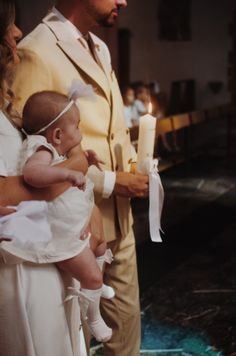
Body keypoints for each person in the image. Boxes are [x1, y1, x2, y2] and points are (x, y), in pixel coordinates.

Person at [13, 1, 149, 355]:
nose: (123, 1)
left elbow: (111, 129)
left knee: (126, 330)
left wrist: (135, 165)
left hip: (121, 214)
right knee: (78, 334)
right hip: (73, 225)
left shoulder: (100, 45)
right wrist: (109, 182)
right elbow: (34, 150)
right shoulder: (36, 51)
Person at [0, 1, 89, 354]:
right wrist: (72, 179)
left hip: (36, 251)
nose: (17, 32)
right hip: (18, 265)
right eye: (8, 23)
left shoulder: (7, 108)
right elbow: (12, 191)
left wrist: (76, 215)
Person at [17, 87, 114, 342]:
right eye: (78, 126)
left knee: (102, 245)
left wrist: (86, 161)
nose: (80, 133)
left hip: (72, 221)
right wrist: (67, 173)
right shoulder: (41, 149)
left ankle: (96, 283)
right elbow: (33, 175)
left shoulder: (53, 148)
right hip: (60, 232)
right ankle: (94, 317)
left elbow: (66, 166)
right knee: (91, 274)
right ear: (58, 134)